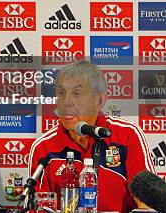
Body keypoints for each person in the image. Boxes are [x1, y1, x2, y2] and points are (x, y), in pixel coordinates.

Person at [28, 60, 156, 213]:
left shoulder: (127, 135)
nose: (66, 102)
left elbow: (148, 202)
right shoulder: (43, 148)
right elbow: (36, 208)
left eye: (76, 93)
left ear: (99, 101)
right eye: (61, 93)